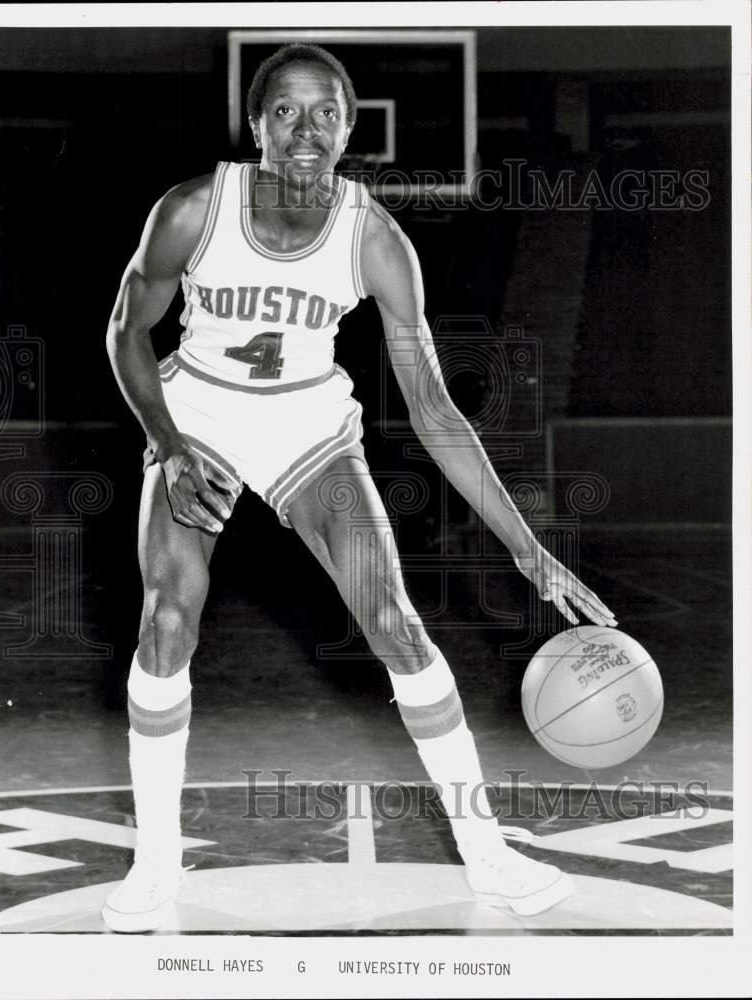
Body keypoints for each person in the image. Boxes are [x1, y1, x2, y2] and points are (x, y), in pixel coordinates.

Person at [102, 43, 617, 933]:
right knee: (167, 617)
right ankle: (153, 864)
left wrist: (527, 548)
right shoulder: (193, 211)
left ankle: (487, 853)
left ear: (350, 126)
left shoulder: (374, 239)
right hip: (197, 420)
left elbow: (434, 410)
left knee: (394, 621)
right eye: (287, 113)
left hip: (308, 426)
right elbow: (124, 331)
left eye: (325, 113)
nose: (307, 130)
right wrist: (168, 443)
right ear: (257, 124)